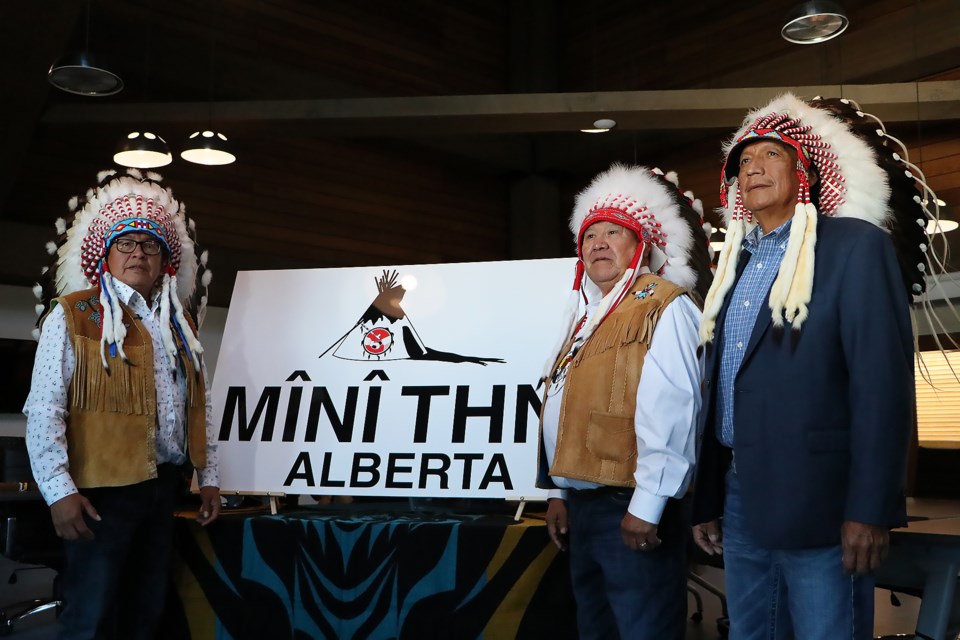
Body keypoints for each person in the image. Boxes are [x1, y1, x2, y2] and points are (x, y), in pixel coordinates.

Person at [692, 94, 944, 639]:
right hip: (738, 497)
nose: (752, 167)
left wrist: (871, 508)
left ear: (804, 169)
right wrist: (708, 496)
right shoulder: (734, 262)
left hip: (821, 502)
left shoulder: (854, 247)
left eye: (769, 155)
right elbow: (722, 385)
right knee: (750, 632)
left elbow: (881, 386)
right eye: (742, 161)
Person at [23, 168, 221, 640]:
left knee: (145, 615)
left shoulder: (180, 326)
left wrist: (209, 478)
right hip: (100, 494)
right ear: (105, 255)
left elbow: (202, 405)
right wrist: (59, 490)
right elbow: (44, 406)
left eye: (150, 245)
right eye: (126, 243)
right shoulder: (74, 316)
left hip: (165, 490)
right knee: (91, 617)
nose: (138, 253)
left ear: (165, 259)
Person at [537, 164, 713, 639]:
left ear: (641, 247)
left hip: (630, 504)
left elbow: (674, 408)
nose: (598, 241)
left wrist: (649, 505)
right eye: (590, 234)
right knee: (597, 630)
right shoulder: (583, 315)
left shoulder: (665, 304)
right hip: (583, 506)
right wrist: (558, 491)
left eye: (613, 232)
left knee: (642, 629)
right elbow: (561, 403)